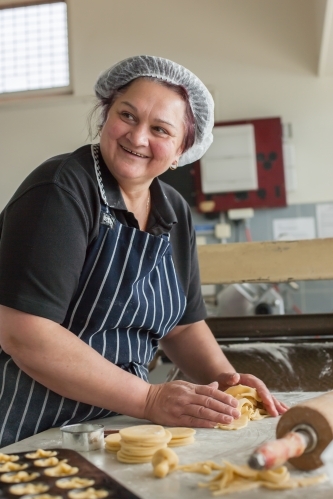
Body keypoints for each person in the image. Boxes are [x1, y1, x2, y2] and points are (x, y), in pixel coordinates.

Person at [0, 55, 288, 448]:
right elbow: (25, 333)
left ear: (180, 152)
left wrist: (224, 382)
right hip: (27, 424)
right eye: (128, 116)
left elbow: (182, 324)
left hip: (113, 425)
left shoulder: (173, 211)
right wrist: (149, 398)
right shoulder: (61, 191)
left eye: (160, 129)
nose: (137, 137)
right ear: (105, 117)